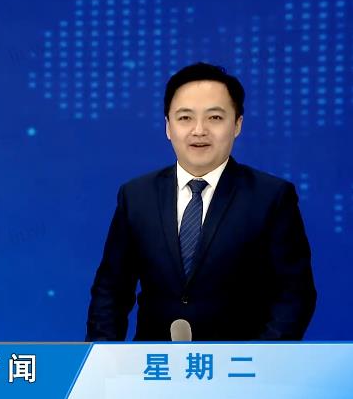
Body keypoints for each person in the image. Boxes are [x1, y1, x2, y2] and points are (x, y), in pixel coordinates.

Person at [85, 62, 316, 341]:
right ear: (168, 126)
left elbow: (294, 294)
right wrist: (101, 359)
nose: (199, 130)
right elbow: (111, 291)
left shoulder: (271, 197)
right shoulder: (136, 196)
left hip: (241, 364)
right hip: (156, 363)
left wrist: (261, 358)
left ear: (237, 124)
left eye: (215, 117)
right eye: (185, 118)